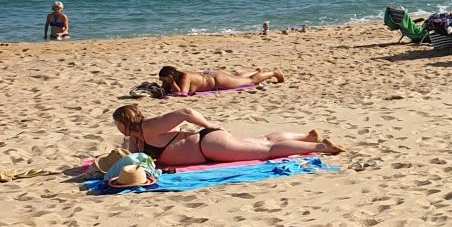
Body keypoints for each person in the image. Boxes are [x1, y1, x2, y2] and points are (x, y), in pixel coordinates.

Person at [111, 104, 340, 169]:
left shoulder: (149, 126)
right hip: (209, 147)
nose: (117, 128)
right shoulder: (134, 138)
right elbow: (138, 163)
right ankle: (307, 137)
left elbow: (185, 112)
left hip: (208, 145)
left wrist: (207, 124)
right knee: (265, 141)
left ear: (124, 121)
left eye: (117, 124)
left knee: (267, 151)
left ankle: (321, 147)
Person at [158, 67, 286, 95]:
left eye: (165, 79)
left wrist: (172, 83)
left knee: (250, 81)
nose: (164, 82)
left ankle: (274, 73)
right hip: (213, 76)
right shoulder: (178, 77)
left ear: (171, 76)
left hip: (217, 80)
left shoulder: (184, 77)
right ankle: (256, 71)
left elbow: (182, 93)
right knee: (237, 77)